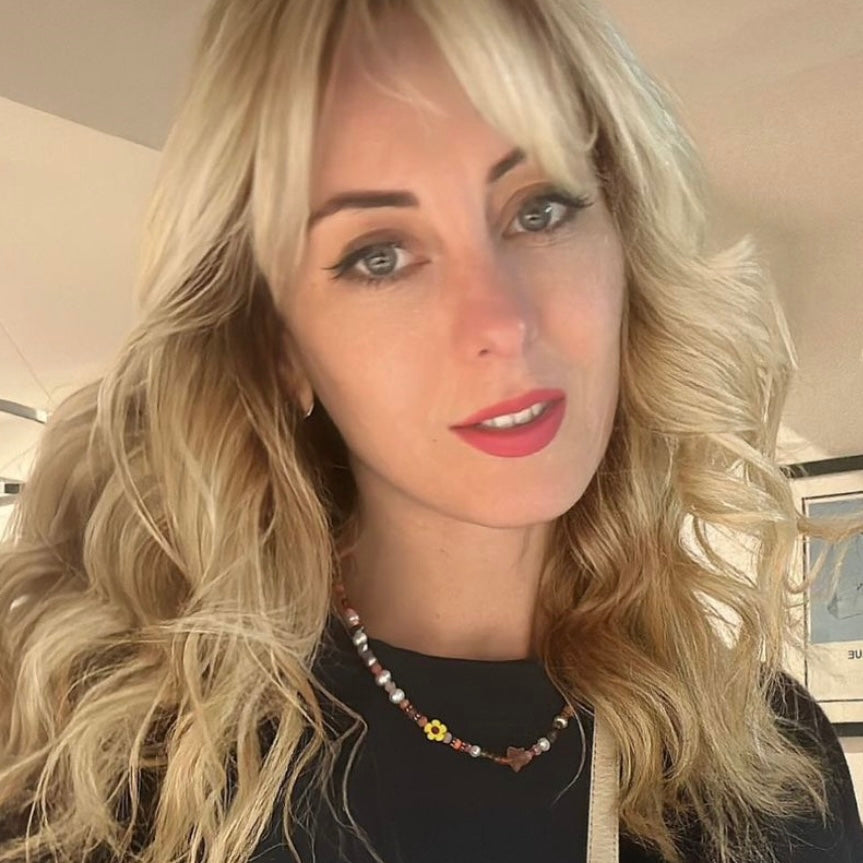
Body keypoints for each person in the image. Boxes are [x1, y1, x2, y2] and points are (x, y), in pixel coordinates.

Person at [1, 0, 861, 861]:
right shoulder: (106, 770)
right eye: (379, 255)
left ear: (624, 243)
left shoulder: (773, 770)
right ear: (280, 349)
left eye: (539, 209)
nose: (502, 322)